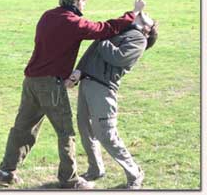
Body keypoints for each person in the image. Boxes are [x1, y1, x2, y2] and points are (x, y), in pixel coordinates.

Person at [0, 0, 146, 189]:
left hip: (31, 81)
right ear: (77, 0)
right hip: (51, 84)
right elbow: (105, 29)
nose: (85, 6)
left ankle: (5, 173)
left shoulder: (47, 15)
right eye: (84, 1)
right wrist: (132, 13)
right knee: (66, 132)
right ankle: (70, 180)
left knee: (22, 129)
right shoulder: (73, 22)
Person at [65, 12, 158, 189]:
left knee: (106, 134)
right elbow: (91, 51)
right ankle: (95, 169)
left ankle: (135, 172)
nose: (144, 15)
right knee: (85, 129)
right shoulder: (122, 29)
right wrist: (79, 71)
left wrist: (102, 38)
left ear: (148, 30)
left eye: (149, 19)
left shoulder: (140, 40)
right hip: (87, 83)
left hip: (103, 89)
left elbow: (118, 57)